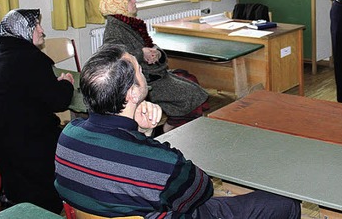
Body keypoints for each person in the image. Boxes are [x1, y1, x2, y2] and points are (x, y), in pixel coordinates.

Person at [54, 44, 301, 218]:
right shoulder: (159, 163)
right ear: (132, 94)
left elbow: (120, 164)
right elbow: (202, 191)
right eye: (140, 72)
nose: (143, 75)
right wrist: (147, 142)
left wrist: (141, 132)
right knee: (284, 204)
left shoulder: (67, 136)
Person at [0, 9, 74, 213]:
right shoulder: (30, 59)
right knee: (75, 140)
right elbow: (59, 102)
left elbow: (28, 91)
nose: (42, 31)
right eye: (35, 26)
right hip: (25, 146)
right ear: (21, 30)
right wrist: (66, 84)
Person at [99, 0, 209, 132]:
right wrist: (141, 54)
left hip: (155, 74)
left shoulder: (128, 24)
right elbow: (115, 60)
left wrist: (157, 54)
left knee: (191, 80)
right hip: (144, 82)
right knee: (191, 96)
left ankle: (169, 127)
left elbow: (150, 47)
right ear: (117, 4)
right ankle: (168, 130)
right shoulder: (114, 30)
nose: (134, 1)